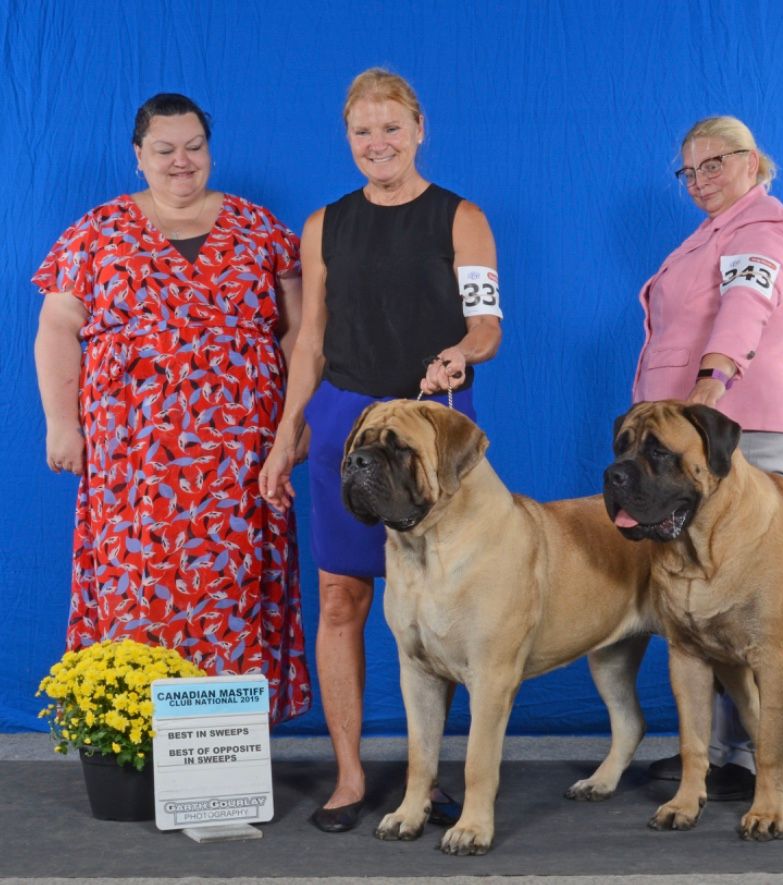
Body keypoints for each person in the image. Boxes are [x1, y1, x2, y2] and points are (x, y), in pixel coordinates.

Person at [259, 68, 502, 833]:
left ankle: (427, 775)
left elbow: (487, 325)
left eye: (391, 127)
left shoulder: (461, 217)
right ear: (348, 138)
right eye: (362, 131)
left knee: (442, 606)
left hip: (433, 424)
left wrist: (461, 354)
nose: (378, 142)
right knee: (340, 597)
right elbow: (309, 343)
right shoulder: (324, 224)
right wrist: (285, 438)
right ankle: (350, 775)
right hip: (345, 421)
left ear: (419, 129)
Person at [32, 93, 311, 726]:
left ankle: (226, 747)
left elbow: (300, 331)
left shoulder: (260, 228)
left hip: (242, 451)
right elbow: (56, 328)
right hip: (133, 454)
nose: (181, 161)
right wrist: (61, 423)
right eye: (164, 149)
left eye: (194, 146)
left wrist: (295, 422)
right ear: (139, 156)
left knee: (234, 582)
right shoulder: (96, 231)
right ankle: (136, 736)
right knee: (138, 580)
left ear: (209, 150)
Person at [631, 115, 783, 800]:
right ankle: (705, 755)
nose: (700, 179)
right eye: (689, 170)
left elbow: (747, 303)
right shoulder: (713, 232)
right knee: (695, 595)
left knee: (748, 600)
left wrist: (714, 380)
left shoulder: (762, 228)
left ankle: (745, 756)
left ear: (753, 160)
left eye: (715, 163)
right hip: (687, 440)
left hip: (740, 428)